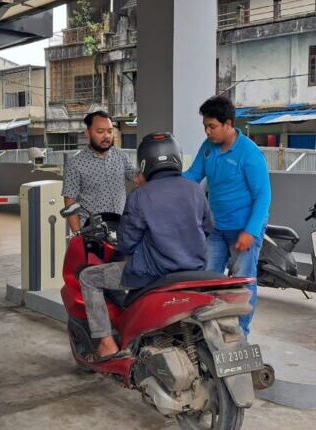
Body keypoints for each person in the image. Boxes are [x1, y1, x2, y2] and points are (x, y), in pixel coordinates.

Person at [78, 133, 213, 361]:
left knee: (88, 277)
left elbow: (126, 243)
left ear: (143, 163)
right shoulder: (195, 189)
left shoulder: (140, 195)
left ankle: (107, 344)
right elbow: (208, 228)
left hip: (152, 273)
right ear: (177, 157)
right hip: (194, 271)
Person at [183, 96, 271, 336]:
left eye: (212, 126)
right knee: (207, 279)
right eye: (205, 127)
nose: (207, 132)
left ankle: (240, 334)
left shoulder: (249, 153)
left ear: (228, 124)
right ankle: (207, 331)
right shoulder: (208, 148)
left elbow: (263, 196)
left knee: (242, 284)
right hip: (216, 229)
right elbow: (193, 175)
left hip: (244, 229)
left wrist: (250, 231)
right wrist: (164, 179)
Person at [62, 111, 139, 231]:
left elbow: (137, 178)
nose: (106, 136)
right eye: (100, 131)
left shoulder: (121, 156)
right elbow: (70, 201)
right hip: (91, 230)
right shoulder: (75, 164)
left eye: (110, 131)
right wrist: (78, 235)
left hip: (120, 227)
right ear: (87, 133)